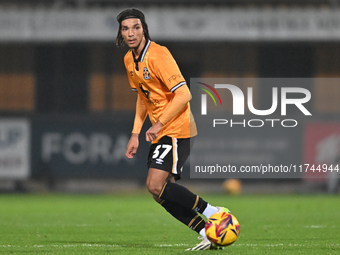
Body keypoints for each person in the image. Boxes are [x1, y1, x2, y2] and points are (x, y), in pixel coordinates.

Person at [116, 8, 230, 250]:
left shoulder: (159, 55)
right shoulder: (129, 60)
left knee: (155, 185)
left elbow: (184, 94)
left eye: (135, 27)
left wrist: (158, 123)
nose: (131, 33)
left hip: (177, 128)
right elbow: (142, 99)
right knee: (159, 193)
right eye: (125, 29)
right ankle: (206, 232)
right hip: (162, 131)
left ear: (144, 28)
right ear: (121, 33)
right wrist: (135, 133)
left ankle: (213, 212)